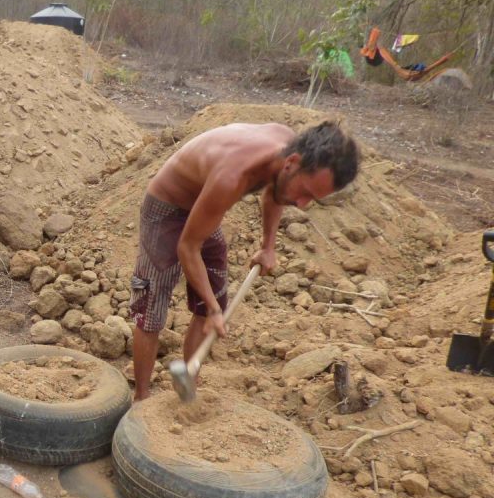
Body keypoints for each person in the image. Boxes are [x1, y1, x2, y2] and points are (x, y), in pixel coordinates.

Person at [129, 121, 359, 402]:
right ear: (292, 163)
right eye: (306, 193)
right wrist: (214, 309)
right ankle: (140, 399)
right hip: (166, 206)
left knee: (210, 303)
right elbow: (188, 247)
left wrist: (267, 247)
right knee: (151, 308)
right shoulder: (232, 177)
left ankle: (188, 386)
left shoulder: (286, 152)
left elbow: (276, 192)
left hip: (205, 207)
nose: (302, 204)